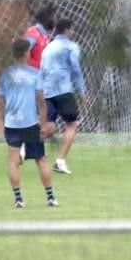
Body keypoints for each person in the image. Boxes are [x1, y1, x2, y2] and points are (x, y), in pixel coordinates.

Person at [0, 38, 57, 208]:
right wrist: (43, 124)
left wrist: (3, 120)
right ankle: (51, 198)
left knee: (13, 161)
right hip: (30, 123)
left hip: (11, 123)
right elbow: (41, 102)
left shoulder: (5, 74)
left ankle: (18, 200)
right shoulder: (34, 73)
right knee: (41, 160)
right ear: (25, 53)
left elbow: (1, 100)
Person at [39, 17, 86, 175]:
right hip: (64, 90)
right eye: (72, 29)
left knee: (49, 126)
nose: (73, 32)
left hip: (47, 90)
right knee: (72, 124)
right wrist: (81, 92)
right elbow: (76, 69)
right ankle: (60, 161)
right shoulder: (71, 46)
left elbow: (42, 70)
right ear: (67, 30)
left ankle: (26, 148)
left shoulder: (47, 47)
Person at [23, 3, 56, 69]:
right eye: (53, 17)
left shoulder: (45, 35)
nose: (54, 20)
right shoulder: (33, 33)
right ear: (47, 19)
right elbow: (24, 53)